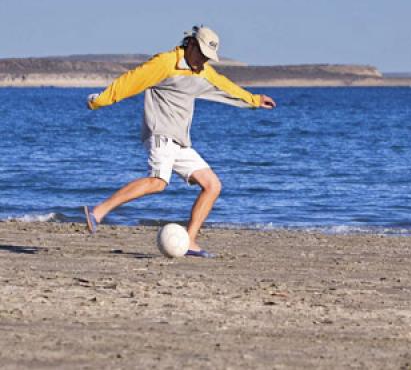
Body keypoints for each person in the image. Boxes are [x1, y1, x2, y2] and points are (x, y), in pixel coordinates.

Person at [83, 25, 275, 257]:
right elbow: (130, 81)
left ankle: (190, 241)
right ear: (191, 44)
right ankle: (98, 212)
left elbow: (225, 87)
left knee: (212, 185)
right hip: (161, 134)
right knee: (158, 182)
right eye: (201, 54)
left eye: (207, 57)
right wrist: (100, 101)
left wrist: (253, 99)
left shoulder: (203, 71)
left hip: (180, 141)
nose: (203, 60)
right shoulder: (164, 63)